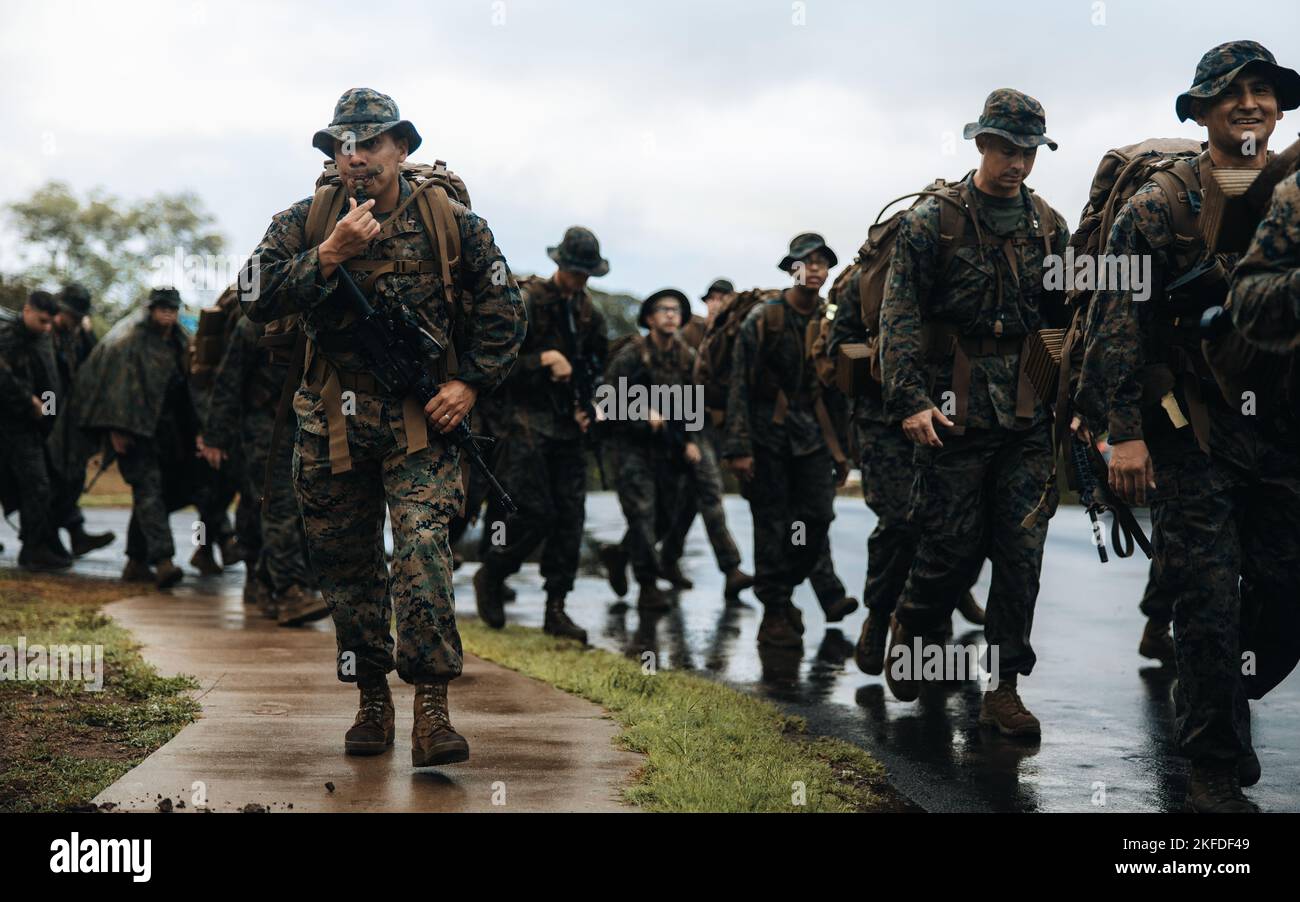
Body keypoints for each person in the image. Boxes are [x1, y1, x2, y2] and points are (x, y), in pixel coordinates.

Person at [241, 88, 524, 767]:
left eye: (371, 143)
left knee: (422, 551)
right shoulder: (306, 221)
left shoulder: (453, 222)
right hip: (330, 421)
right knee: (346, 569)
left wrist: (469, 383)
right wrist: (329, 255)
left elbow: (505, 309)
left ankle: (432, 706)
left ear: (401, 148)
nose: (357, 156)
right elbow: (253, 295)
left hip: (419, 420)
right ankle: (371, 696)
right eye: (345, 145)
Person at [1076, 42, 1300, 811]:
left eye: (1262, 91)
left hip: (1280, 429)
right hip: (1188, 428)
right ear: (1201, 111)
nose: (1249, 104)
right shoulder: (1158, 206)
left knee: (1283, 593)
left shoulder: (1295, 193)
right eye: (1230, 93)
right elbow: (1115, 322)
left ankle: (1222, 703)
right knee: (1206, 597)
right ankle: (1211, 761)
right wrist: (1123, 431)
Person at [880, 89, 1069, 735]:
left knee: (1021, 550)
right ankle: (915, 620)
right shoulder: (934, 220)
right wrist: (909, 400)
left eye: (1028, 152)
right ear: (982, 144)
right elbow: (898, 314)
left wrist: (1078, 402)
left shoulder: (1049, 225)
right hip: (952, 406)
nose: (1017, 163)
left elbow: (1064, 319)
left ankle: (1004, 685)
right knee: (951, 548)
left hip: (1025, 412)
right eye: (1007, 149)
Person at [825, 257, 985, 677]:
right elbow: (837, 348)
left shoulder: (958, 271)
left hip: (947, 413)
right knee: (899, 521)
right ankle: (878, 615)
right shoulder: (864, 281)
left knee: (947, 524)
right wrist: (881, 359)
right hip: (882, 421)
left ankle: (928, 621)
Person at [474, 226, 609, 643]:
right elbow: (495, 364)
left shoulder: (591, 314)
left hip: (568, 428)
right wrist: (542, 360)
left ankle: (556, 608)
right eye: (573, 272)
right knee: (533, 512)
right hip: (524, 422)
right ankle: (493, 572)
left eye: (585, 274)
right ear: (559, 266)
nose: (578, 280)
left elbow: (594, 371)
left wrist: (591, 406)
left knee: (570, 519)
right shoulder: (528, 301)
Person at [723, 233, 851, 647]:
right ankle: (775, 610)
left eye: (822, 262)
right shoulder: (763, 318)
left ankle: (787, 589)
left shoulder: (831, 319)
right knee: (772, 525)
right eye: (806, 262)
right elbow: (738, 385)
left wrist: (843, 451)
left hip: (813, 438)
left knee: (815, 519)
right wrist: (739, 449)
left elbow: (836, 391)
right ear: (791, 268)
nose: (814, 269)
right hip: (767, 438)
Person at [202, 313, 325, 626]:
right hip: (265, 428)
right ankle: (288, 592)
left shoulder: (322, 312)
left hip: (308, 425)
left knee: (301, 506)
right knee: (278, 505)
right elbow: (228, 381)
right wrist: (215, 436)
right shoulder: (254, 322)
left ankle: (266, 580)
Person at [75, 287, 203, 589]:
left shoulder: (179, 341)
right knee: (149, 492)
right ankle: (163, 562)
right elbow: (115, 388)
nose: (168, 314)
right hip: (132, 432)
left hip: (166, 433)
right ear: (151, 309)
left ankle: (135, 560)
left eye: (172, 309)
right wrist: (117, 430)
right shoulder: (129, 341)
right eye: (162, 309)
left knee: (156, 496)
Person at [646, 278, 753, 603]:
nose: (716, 303)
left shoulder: (736, 333)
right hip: (684, 426)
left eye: (724, 298)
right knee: (707, 492)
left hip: (713, 426)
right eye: (712, 298)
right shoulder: (687, 333)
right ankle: (731, 567)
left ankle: (658, 558)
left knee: (690, 501)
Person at [604, 288, 700, 611]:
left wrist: (690, 442)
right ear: (650, 318)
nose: (671, 314)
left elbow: (691, 402)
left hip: (667, 449)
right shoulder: (632, 354)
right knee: (642, 512)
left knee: (664, 518)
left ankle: (620, 555)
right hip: (631, 447)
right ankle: (648, 586)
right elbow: (607, 399)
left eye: (676, 310)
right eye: (663, 309)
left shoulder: (685, 356)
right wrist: (641, 412)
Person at [0, 290, 68, 571]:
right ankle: (33, 548)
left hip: (36, 426)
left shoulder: (40, 337)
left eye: (51, 322)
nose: (47, 327)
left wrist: (49, 418)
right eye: (42, 320)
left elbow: (49, 379)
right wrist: (29, 402)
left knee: (42, 485)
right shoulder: (8, 337)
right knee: (36, 485)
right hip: (13, 425)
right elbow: (4, 379)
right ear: (27, 310)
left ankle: (39, 545)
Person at [47, 284, 115, 558]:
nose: (74, 321)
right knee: (48, 483)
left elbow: (94, 361)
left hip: (69, 421)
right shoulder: (45, 335)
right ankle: (46, 541)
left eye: (78, 317)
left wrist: (86, 333)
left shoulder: (76, 337)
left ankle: (75, 534)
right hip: (46, 420)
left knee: (71, 479)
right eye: (71, 316)